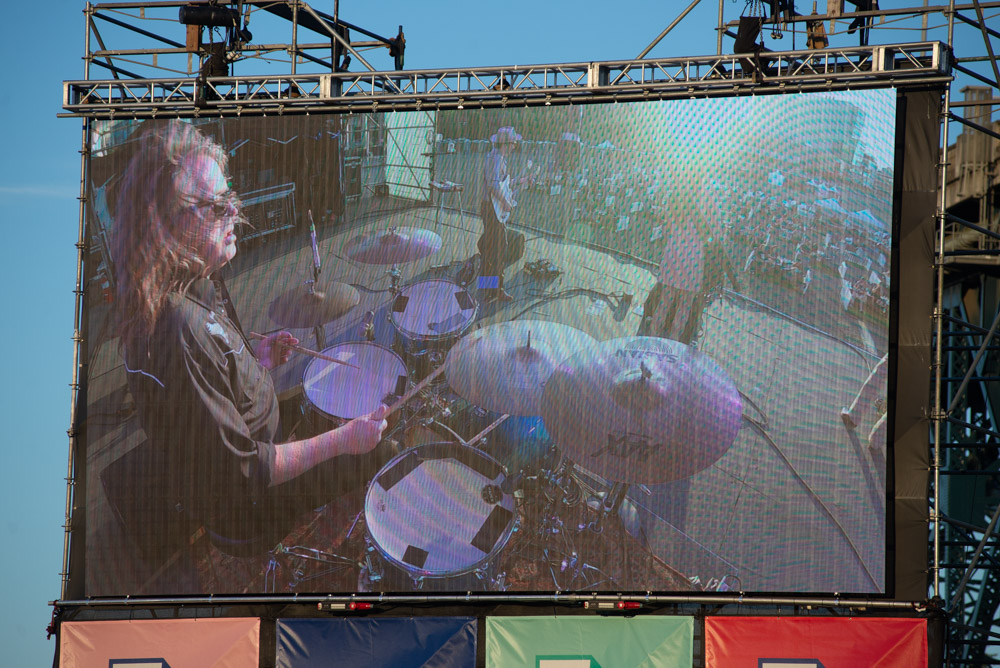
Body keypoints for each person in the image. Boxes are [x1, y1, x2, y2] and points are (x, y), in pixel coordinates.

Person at [110, 120, 387, 557]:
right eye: (217, 207)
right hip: (251, 502)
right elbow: (244, 470)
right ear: (164, 225)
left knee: (340, 404)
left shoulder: (192, 284)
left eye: (230, 199)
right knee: (375, 450)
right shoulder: (176, 329)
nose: (236, 214)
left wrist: (256, 363)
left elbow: (211, 394)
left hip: (258, 447)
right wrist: (342, 442)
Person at [479, 125, 521, 302]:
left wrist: (521, 181)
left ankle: (487, 289)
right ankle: (495, 291)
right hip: (492, 209)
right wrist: (505, 203)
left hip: (489, 208)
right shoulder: (496, 159)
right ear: (507, 144)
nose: (514, 147)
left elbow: (502, 183)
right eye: (513, 144)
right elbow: (493, 185)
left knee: (491, 249)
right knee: (498, 249)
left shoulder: (497, 157)